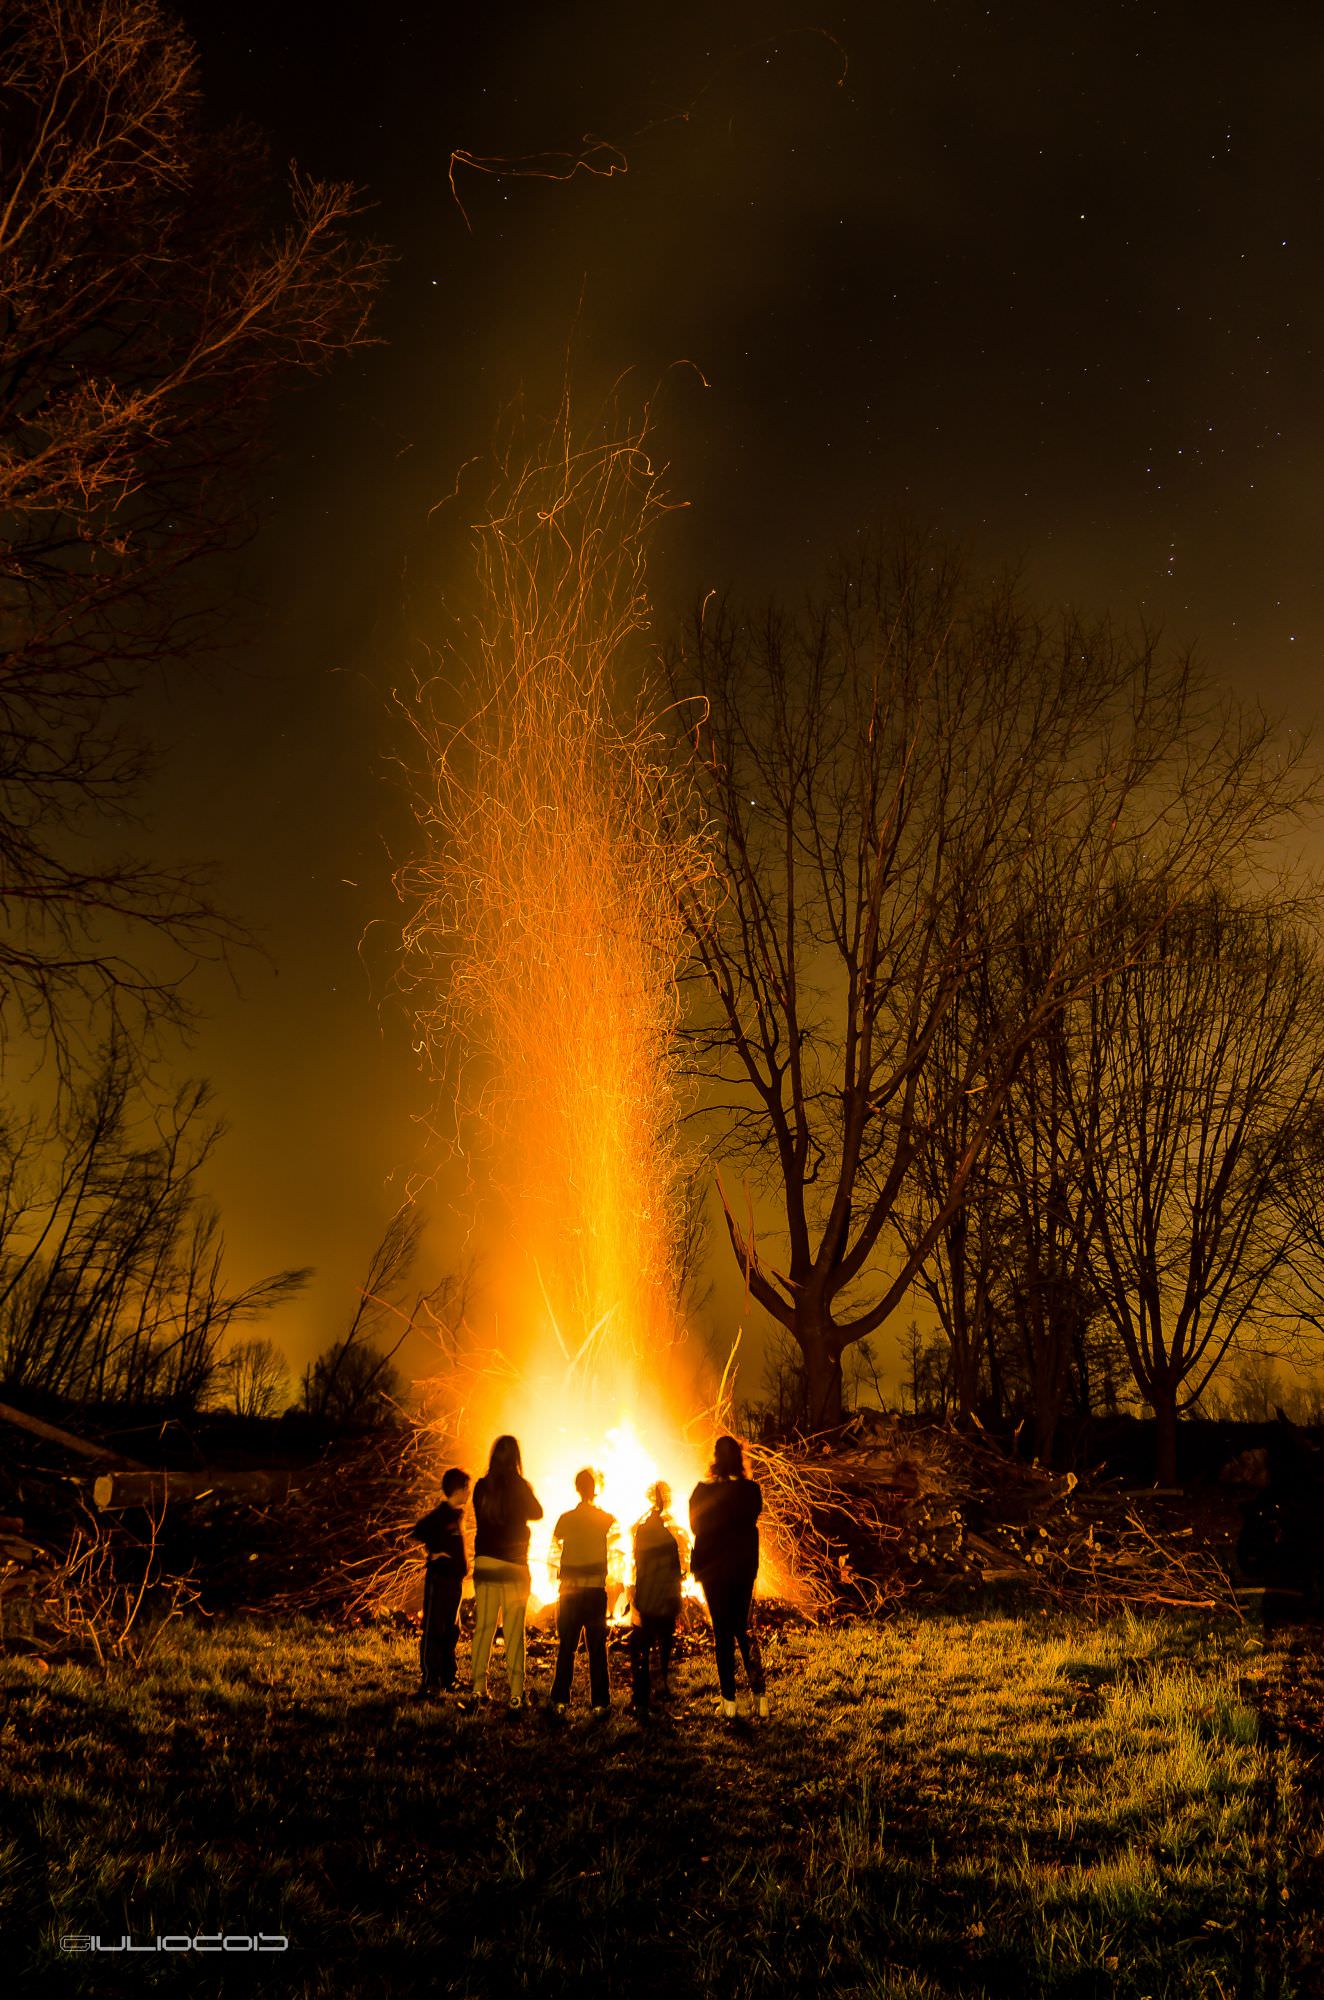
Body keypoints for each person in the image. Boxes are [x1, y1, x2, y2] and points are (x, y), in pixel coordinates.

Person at [690, 1434, 768, 1720]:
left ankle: (729, 1702)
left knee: (722, 1633)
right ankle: (760, 1698)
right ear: (739, 1457)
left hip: (714, 1572)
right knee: (744, 1630)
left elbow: (696, 1526)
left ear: (714, 1458)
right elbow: (751, 1520)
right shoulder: (751, 1491)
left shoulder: (701, 1491)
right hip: (743, 1569)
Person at [465, 1435, 543, 1711]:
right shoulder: (520, 1487)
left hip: (486, 1564)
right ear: (516, 1459)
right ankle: (516, 1693)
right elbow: (538, 1512)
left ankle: (477, 1688)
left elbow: (481, 1516)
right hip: (514, 1566)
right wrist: (521, 1489)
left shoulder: (481, 1487)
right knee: (513, 1631)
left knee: (484, 1627)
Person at [547, 1468, 619, 1715]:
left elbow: (554, 1548)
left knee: (567, 1646)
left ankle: (559, 1700)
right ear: (594, 1489)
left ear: (577, 1488)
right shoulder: (604, 1518)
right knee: (597, 1648)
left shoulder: (566, 1519)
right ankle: (600, 1703)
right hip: (595, 1592)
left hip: (570, 1593)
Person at [629, 1478, 689, 1721]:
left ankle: (642, 1698)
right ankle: (660, 1688)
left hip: (648, 1601)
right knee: (663, 1647)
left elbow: (639, 1568)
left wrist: (637, 1599)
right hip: (665, 1602)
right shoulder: (669, 1539)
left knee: (640, 1648)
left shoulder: (641, 1534)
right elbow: (675, 1573)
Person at [411, 1465, 470, 1695]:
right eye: (467, 1489)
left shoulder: (457, 1515)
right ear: (459, 1489)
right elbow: (418, 1530)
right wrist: (433, 1552)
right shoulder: (441, 1515)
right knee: (434, 1628)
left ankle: (448, 1677)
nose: (469, 1494)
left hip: (454, 1582)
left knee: (451, 1630)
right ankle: (430, 1679)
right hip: (440, 1581)